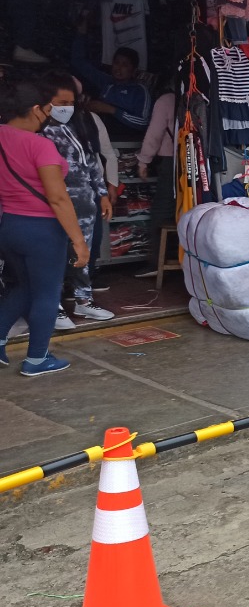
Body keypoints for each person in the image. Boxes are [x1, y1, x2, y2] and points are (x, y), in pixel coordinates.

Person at [0, 80, 91, 376]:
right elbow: (57, 198)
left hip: (9, 226)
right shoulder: (40, 145)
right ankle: (37, 359)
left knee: (24, 287)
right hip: (42, 230)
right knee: (47, 294)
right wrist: (78, 241)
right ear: (36, 109)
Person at [41, 74, 114, 322]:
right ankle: (54, 304)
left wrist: (102, 194)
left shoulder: (77, 126)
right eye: (61, 103)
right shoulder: (41, 133)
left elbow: (92, 164)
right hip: (57, 204)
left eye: (70, 103)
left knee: (82, 253)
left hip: (85, 204)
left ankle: (84, 300)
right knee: (55, 254)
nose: (67, 108)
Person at [71, 34, 153, 140]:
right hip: (99, 136)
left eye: (125, 65)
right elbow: (79, 63)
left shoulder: (139, 91)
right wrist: (81, 33)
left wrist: (111, 110)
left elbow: (143, 122)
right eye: (116, 63)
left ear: (134, 70)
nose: (119, 68)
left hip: (125, 142)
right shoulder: (106, 81)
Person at [138, 85, 177, 269]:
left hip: (170, 161)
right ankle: (179, 257)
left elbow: (155, 133)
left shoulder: (167, 100)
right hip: (198, 159)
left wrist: (144, 161)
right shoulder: (203, 97)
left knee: (163, 209)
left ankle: (157, 262)